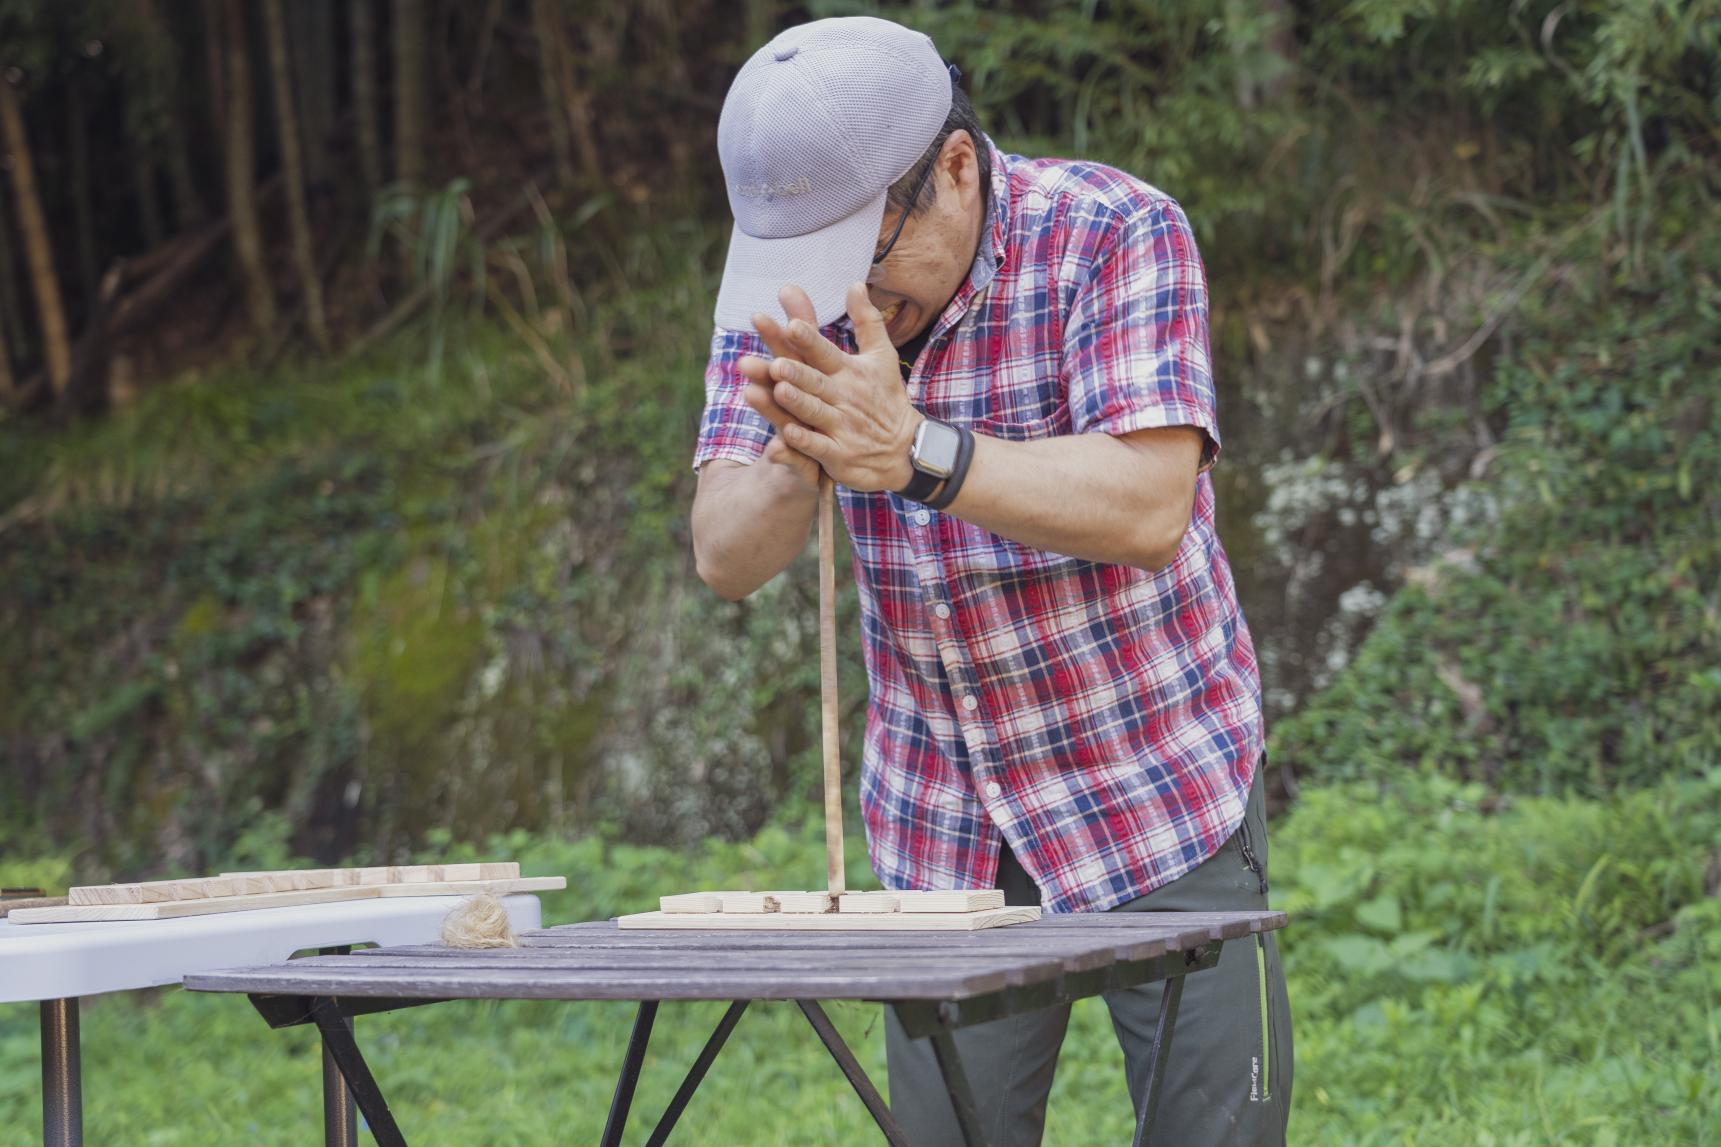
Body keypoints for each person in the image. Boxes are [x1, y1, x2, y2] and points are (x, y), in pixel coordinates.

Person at [690, 15, 1290, 1145]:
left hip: (1160, 787)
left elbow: (1151, 507)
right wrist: (797, 450)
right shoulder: (788, 304)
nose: (838, 294)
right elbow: (725, 554)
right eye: (805, 265)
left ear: (954, 168)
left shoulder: (1113, 232)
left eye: (862, 256)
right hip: (943, 827)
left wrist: (914, 450)